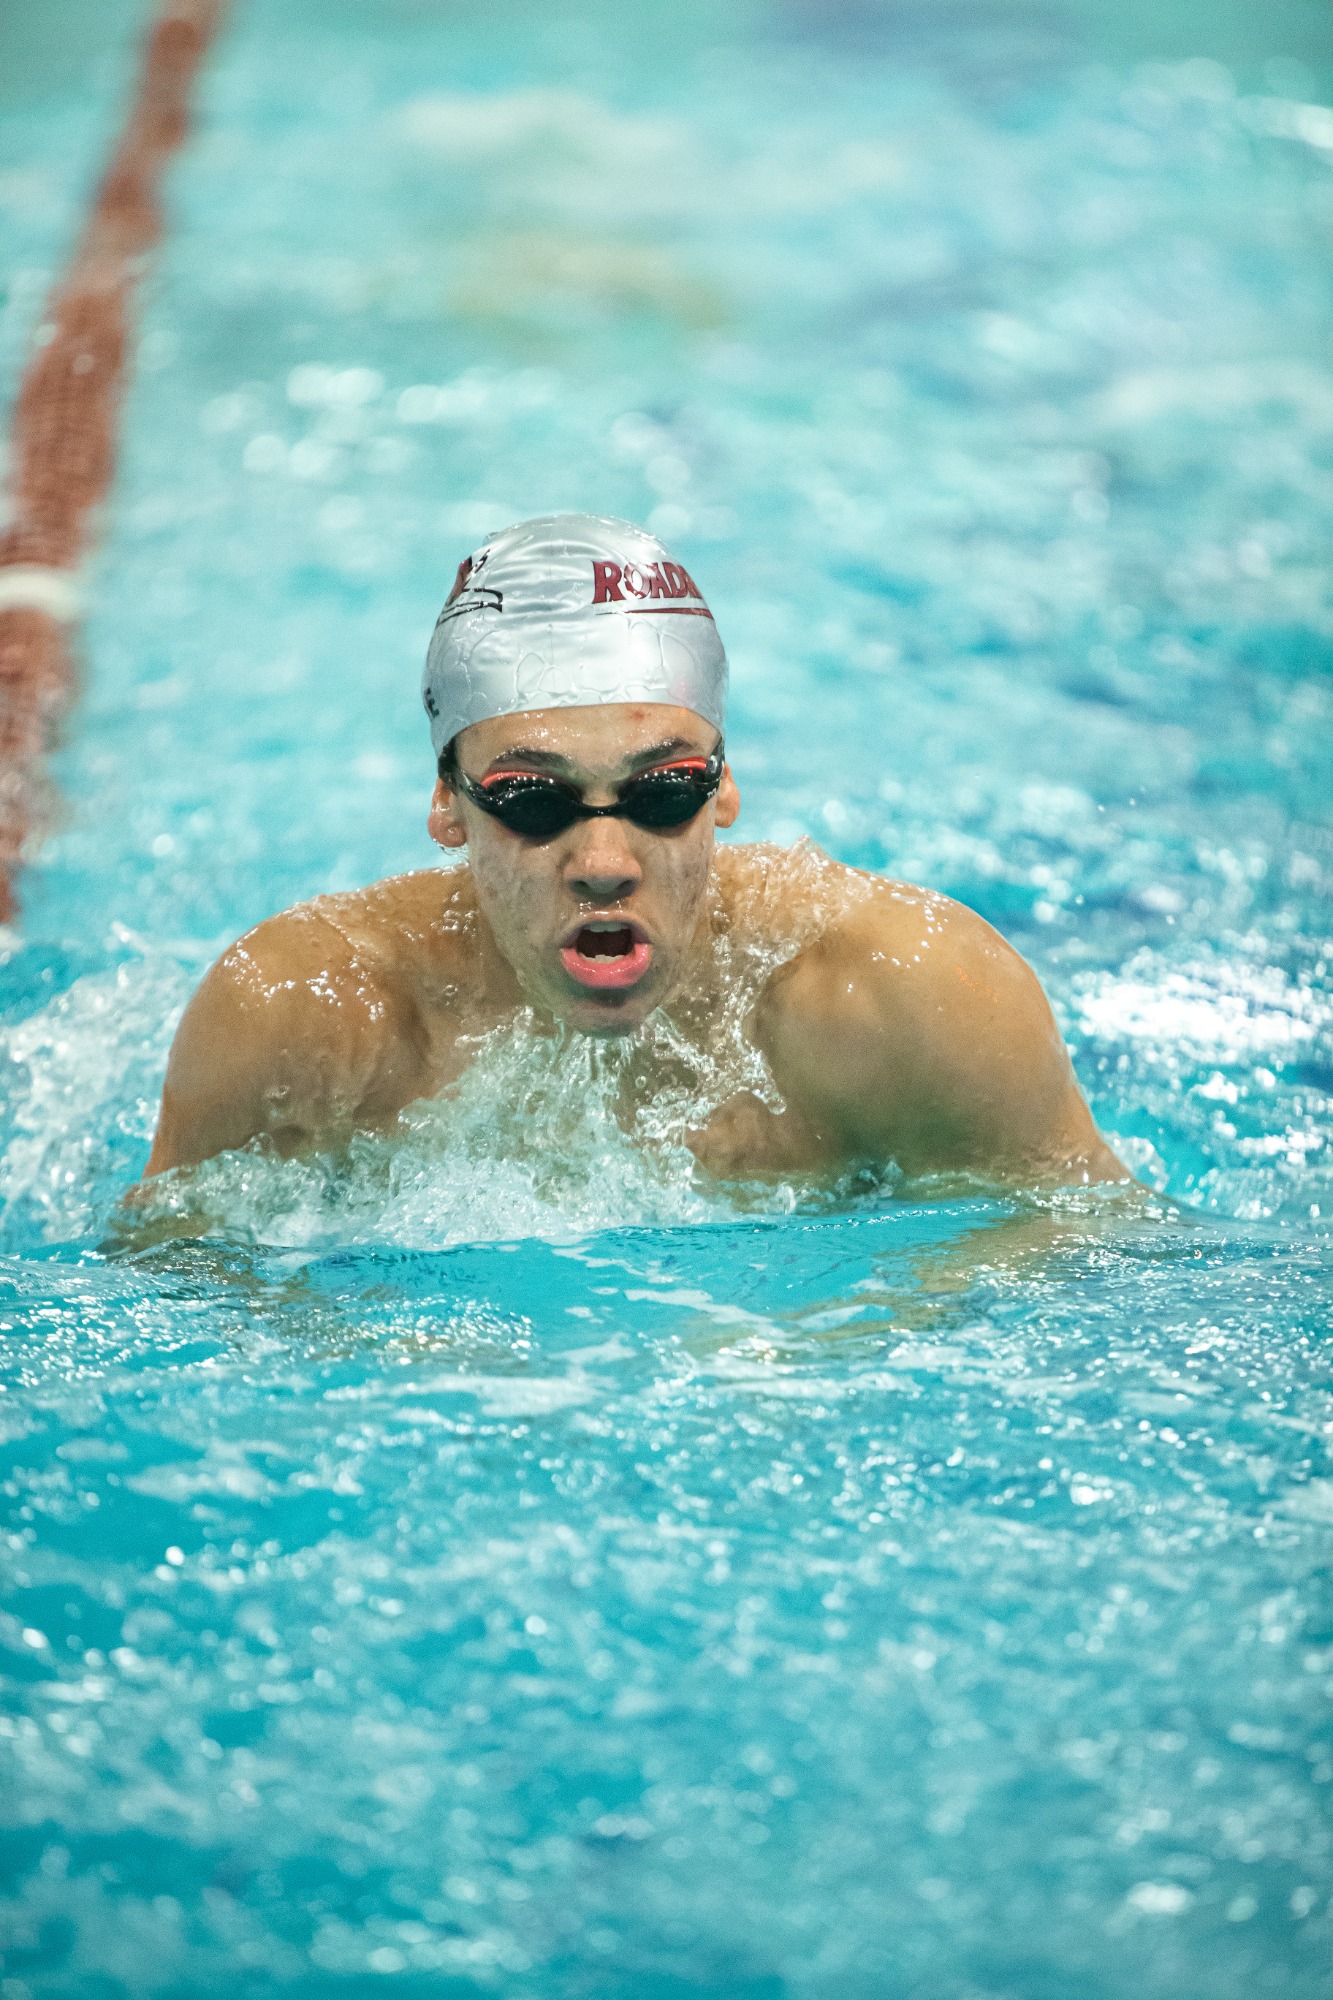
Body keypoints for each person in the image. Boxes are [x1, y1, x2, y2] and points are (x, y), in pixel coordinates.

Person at [142, 513, 1125, 1187]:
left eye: (661, 792)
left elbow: (1076, 1253)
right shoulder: (302, 1015)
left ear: (724, 787)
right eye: (534, 801)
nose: (604, 858)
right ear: (448, 803)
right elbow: (180, 1289)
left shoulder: (914, 995)